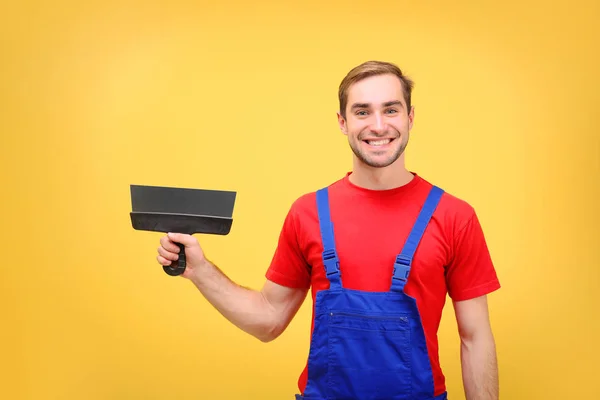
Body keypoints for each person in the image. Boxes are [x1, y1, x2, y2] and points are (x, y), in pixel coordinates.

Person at [156, 60, 501, 400]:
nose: (378, 125)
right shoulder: (308, 213)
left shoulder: (454, 216)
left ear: (410, 117)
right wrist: (200, 271)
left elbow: (475, 337)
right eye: (362, 111)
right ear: (342, 122)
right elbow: (267, 320)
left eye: (391, 110)